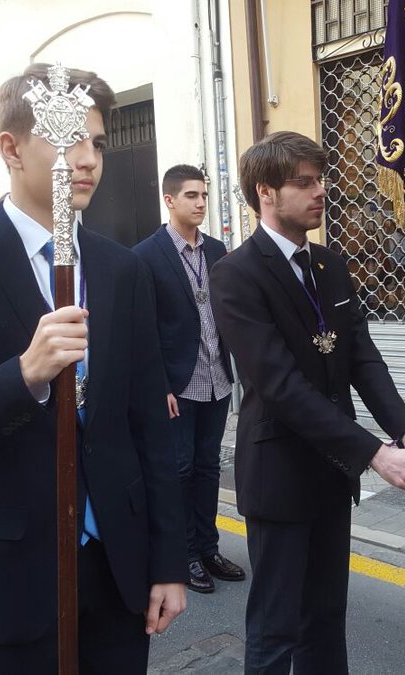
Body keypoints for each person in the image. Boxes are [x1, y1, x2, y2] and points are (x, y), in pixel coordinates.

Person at [0, 64, 187, 673]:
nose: (87, 159)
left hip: (117, 568)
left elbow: (150, 431)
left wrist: (167, 563)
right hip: (13, 574)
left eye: (98, 143)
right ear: (10, 147)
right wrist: (22, 376)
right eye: (66, 136)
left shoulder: (121, 270)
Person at [209, 131, 405, 675]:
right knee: (277, 627)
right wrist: (375, 454)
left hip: (331, 473)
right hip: (279, 474)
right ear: (265, 192)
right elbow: (280, 385)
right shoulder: (235, 275)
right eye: (304, 182)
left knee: (325, 619)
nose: (320, 192)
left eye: (321, 179)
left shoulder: (330, 265)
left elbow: (362, 358)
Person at [132, 164, 244, 595]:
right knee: (178, 470)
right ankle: (184, 555)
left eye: (204, 196)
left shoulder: (217, 251)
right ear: (170, 200)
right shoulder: (146, 255)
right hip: (177, 384)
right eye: (192, 196)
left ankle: (209, 546)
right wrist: (157, 385)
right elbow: (141, 328)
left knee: (208, 466)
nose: (200, 203)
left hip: (217, 377)